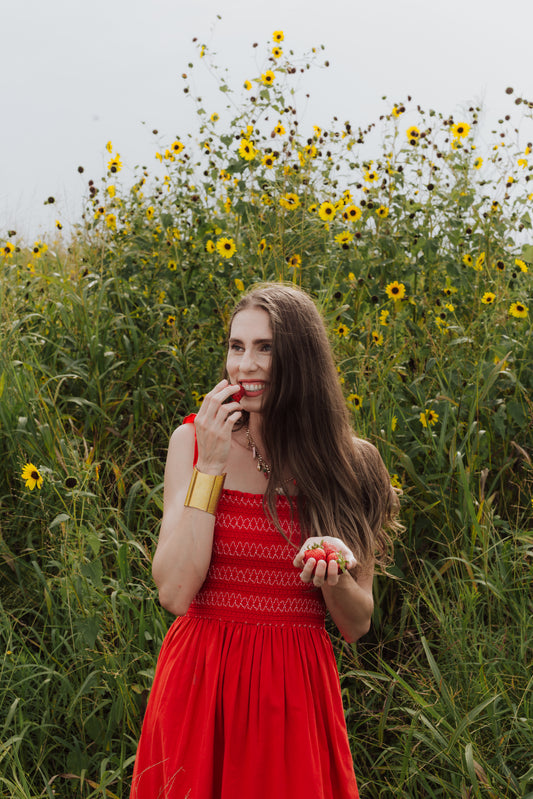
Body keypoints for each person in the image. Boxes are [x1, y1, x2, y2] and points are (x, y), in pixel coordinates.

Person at [130, 282, 401, 799]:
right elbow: (174, 593)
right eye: (237, 347)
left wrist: (333, 576)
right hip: (200, 683)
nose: (244, 365)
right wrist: (209, 466)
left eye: (265, 347)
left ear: (301, 357)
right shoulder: (192, 442)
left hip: (293, 690)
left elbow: (356, 623)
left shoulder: (352, 463)